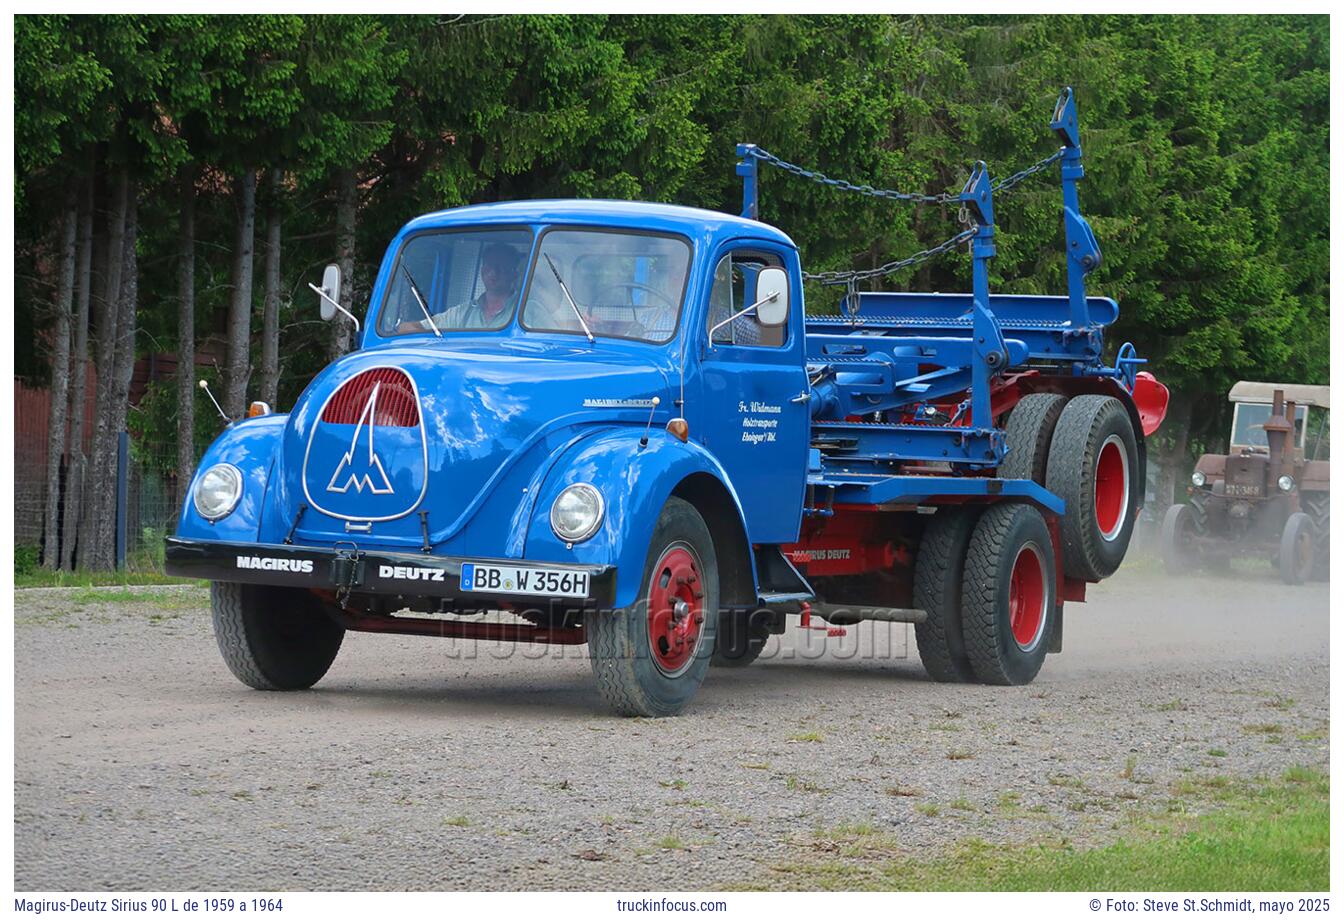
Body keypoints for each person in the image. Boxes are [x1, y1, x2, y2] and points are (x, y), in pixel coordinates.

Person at [396, 243, 523, 334]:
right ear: (482, 269)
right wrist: (437, 342)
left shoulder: (527, 310)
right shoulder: (463, 312)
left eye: (501, 266)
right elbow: (405, 328)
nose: (493, 272)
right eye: (489, 265)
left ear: (514, 273)